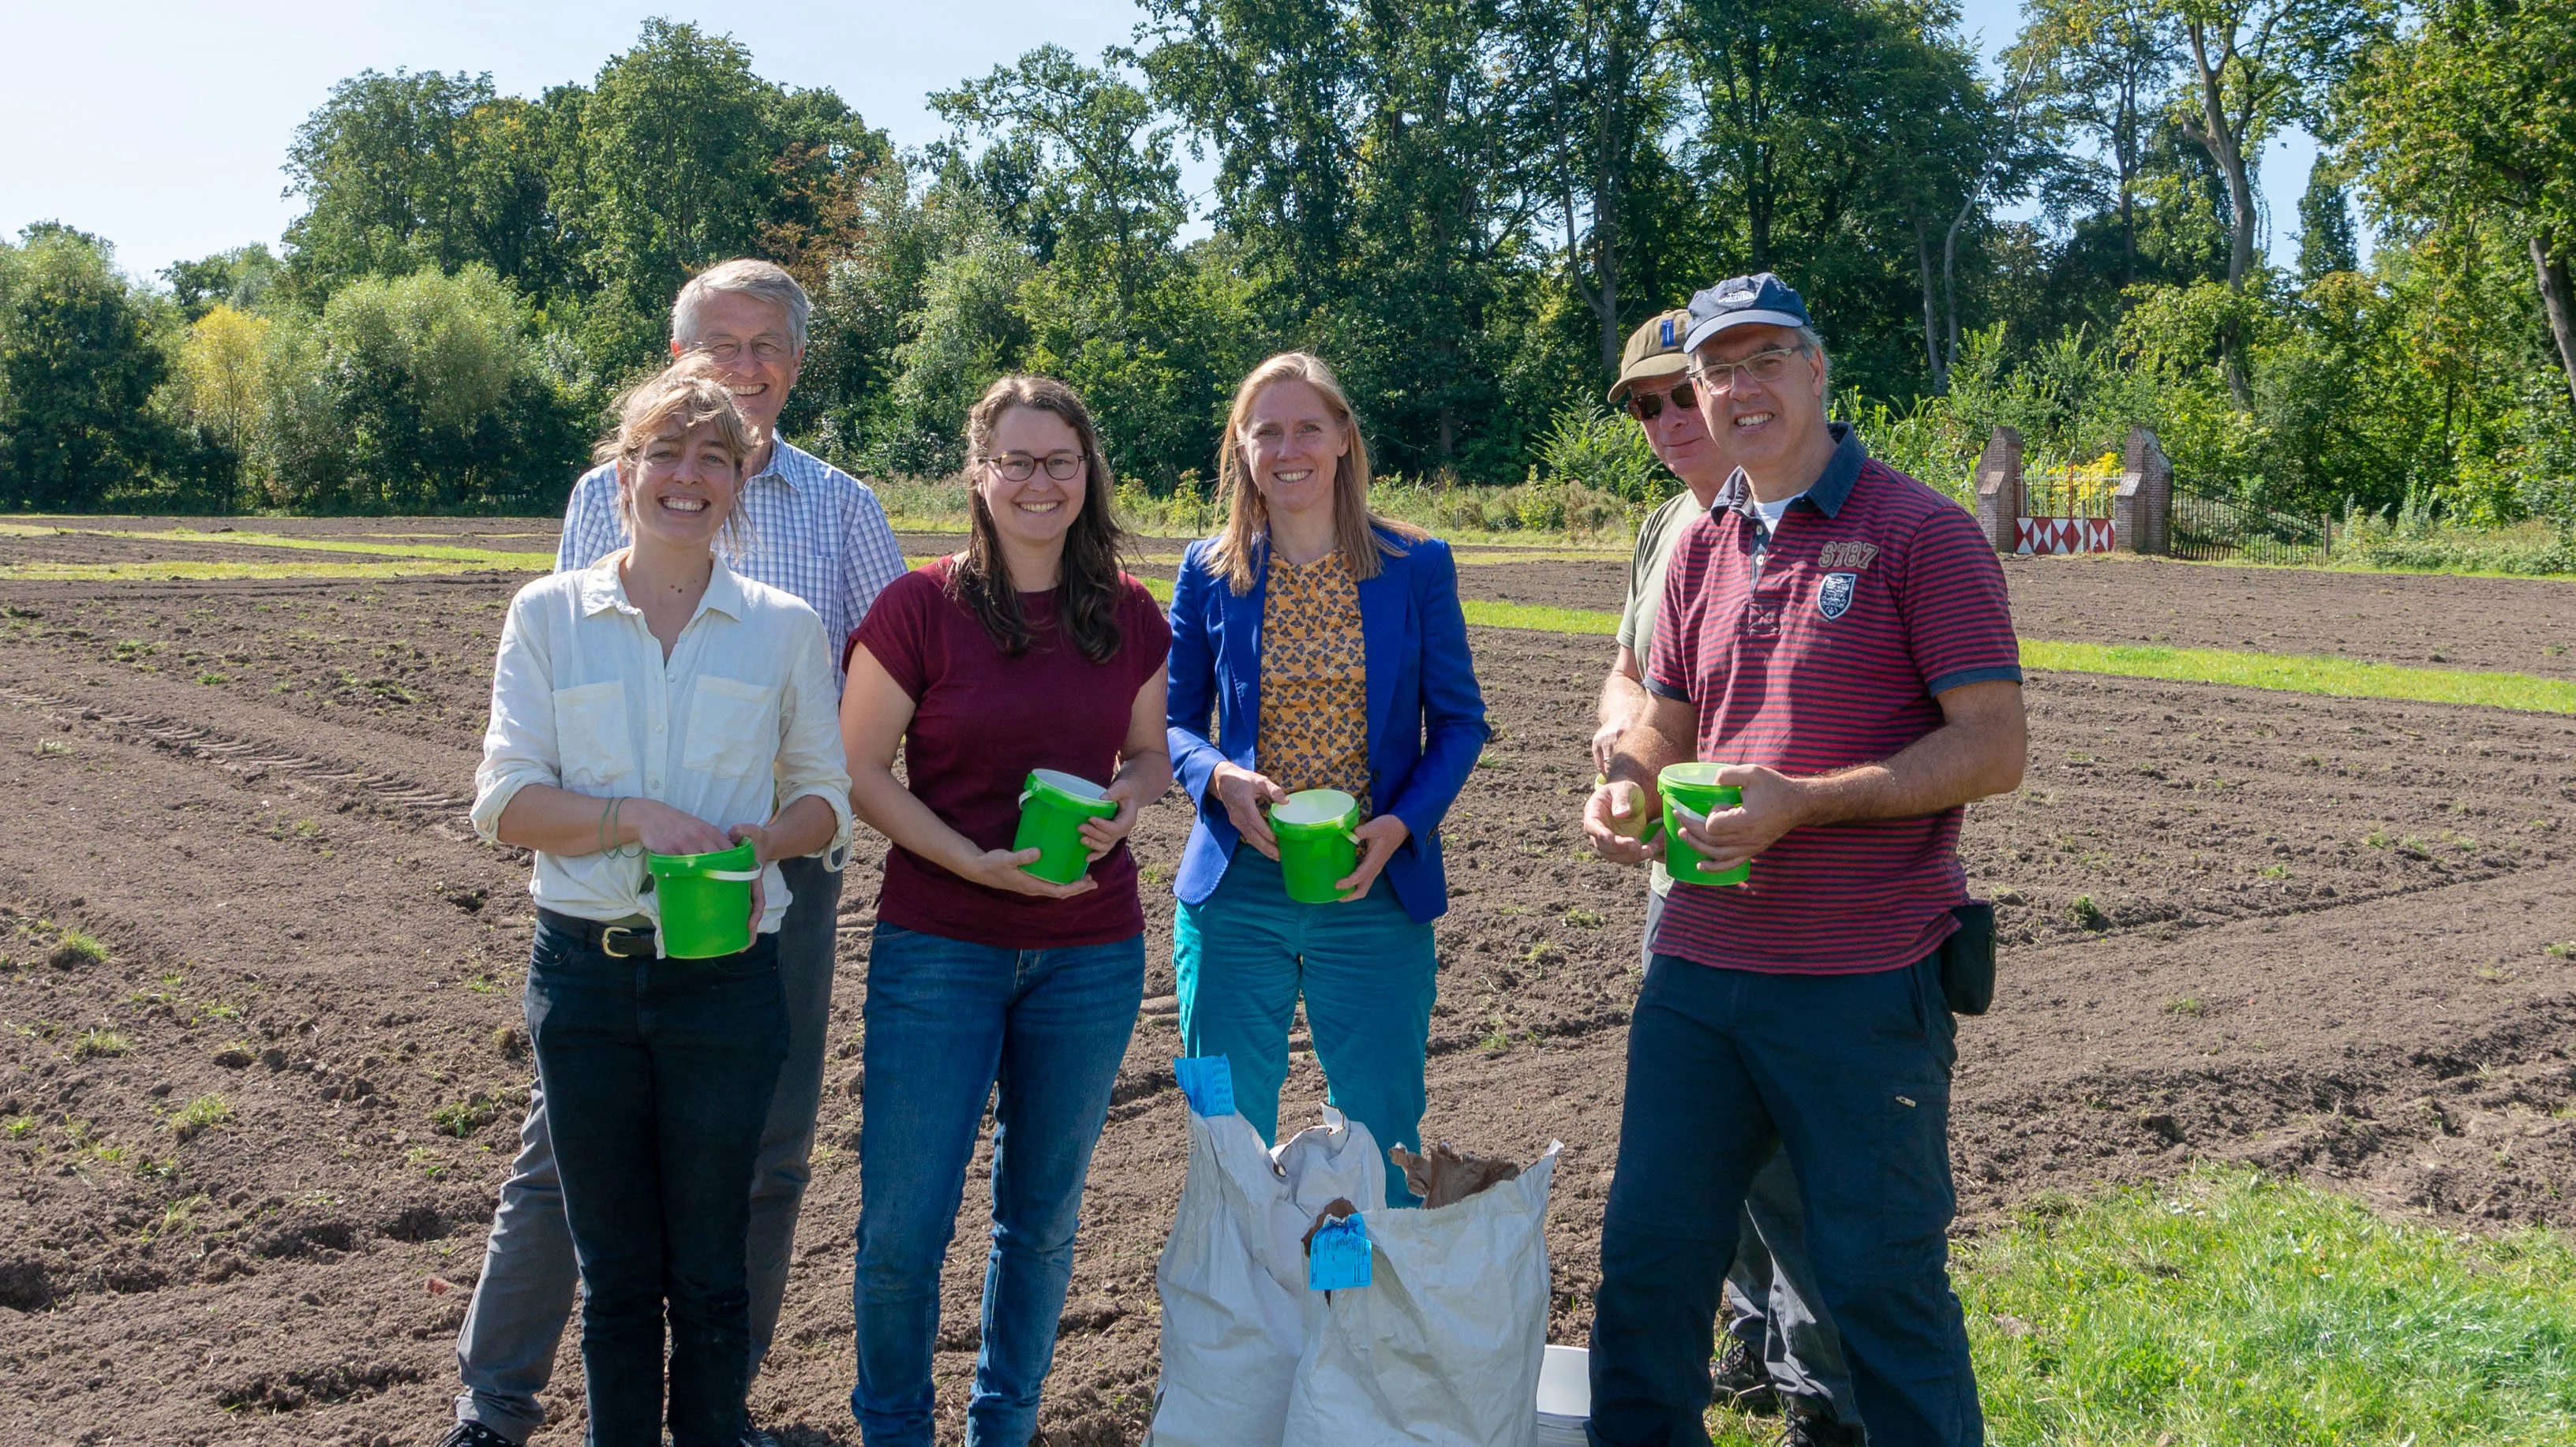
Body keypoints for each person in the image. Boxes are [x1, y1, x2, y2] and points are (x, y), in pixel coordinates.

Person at [446, 259, 908, 1447]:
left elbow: (900, 684)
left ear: (795, 364)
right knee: (565, 1159)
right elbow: (558, 692)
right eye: (713, 343)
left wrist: (784, 827)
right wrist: (633, 820)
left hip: (772, 885)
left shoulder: (845, 512)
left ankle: (721, 1401)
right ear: (670, 366)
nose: (737, 367)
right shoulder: (607, 507)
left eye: (763, 345)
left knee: (766, 1148)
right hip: (604, 910)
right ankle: (495, 1403)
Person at [1581, 274, 2027, 1447]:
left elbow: (1994, 747)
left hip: (1863, 978)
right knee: (1647, 1263)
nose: (1739, 388)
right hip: (1697, 965)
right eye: (1718, 369)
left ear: (1818, 369)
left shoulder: (1921, 531)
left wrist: (1802, 806)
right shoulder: (1700, 543)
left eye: (1765, 358)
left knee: (1878, 1282)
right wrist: (1626, 780)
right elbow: (1667, 718)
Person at [837, 376, 1172, 1447]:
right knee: (903, 1226)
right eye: (1016, 460)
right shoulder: (920, 606)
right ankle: (894, 1429)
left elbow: (1151, 752)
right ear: (979, 475)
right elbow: (858, 768)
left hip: (1088, 950)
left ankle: (1005, 1426)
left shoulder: (1125, 611)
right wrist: (973, 863)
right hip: (942, 943)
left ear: (1087, 477)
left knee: (1039, 1224)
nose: (1038, 481)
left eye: (1059, 462)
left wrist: (1130, 798)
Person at [1591, 309, 1859, 1445]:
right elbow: (1633, 683)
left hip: (1817, 911)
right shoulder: (1672, 535)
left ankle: (1822, 1389)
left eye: (1673, 394)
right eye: (1647, 405)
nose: (1665, 420)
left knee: (1800, 1171)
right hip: (1688, 888)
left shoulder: (1828, 528)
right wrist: (1624, 765)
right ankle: (1748, 1337)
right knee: (1705, 1159)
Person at [1166, 351, 1489, 1206]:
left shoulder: (1415, 564)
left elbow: (1459, 721)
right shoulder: (1208, 570)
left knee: (1381, 1129)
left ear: (1345, 438)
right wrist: (1217, 776)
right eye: (1266, 429)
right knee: (1223, 1126)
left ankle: (1356, 1308)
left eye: (1309, 425)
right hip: (1236, 893)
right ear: (1241, 446)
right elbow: (1168, 721)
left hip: (1370, 886)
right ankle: (1248, 1315)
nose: (1289, 446)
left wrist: (1403, 824)